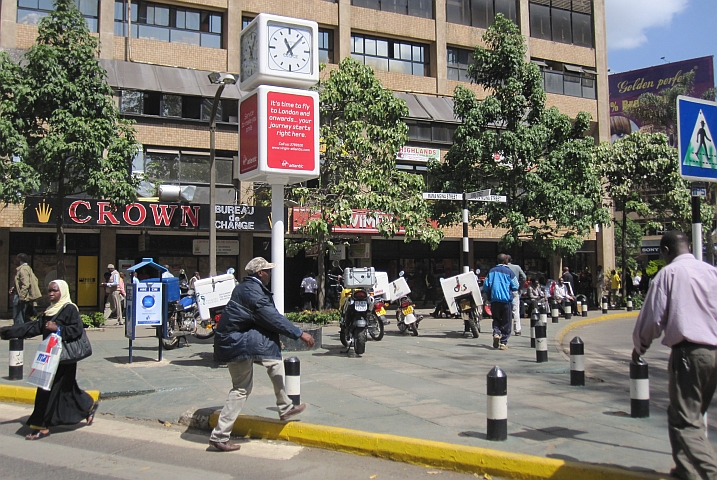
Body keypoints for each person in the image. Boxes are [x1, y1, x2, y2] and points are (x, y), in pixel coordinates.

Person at [632, 231, 717, 480]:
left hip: (689, 355)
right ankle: (684, 471)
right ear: (689, 246)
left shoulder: (669, 274)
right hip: (714, 352)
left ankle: (710, 473)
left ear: (666, 252)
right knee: (686, 413)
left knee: (686, 423)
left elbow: (652, 319)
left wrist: (640, 347)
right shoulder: (711, 272)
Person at [209, 257, 315, 452]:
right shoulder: (253, 292)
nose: (270, 273)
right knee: (241, 389)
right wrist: (300, 333)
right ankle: (220, 435)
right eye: (267, 270)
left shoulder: (249, 288)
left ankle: (285, 407)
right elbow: (272, 317)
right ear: (260, 273)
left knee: (274, 362)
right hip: (235, 344)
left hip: (239, 340)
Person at [0, 280, 98, 440]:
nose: (51, 293)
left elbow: (76, 329)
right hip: (49, 357)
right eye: (49, 291)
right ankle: (87, 405)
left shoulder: (69, 308)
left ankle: (42, 426)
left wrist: (58, 329)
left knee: (47, 390)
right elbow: (34, 327)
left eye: (55, 291)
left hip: (64, 358)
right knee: (66, 389)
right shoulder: (50, 311)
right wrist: (6, 332)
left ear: (63, 292)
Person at [482, 254, 518, 350]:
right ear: (506, 261)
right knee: (507, 321)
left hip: (494, 300)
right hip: (506, 301)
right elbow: (516, 285)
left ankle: (496, 333)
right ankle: (503, 342)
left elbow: (485, 286)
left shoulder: (491, 271)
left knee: (496, 318)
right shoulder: (509, 272)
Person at [9, 253, 41, 325]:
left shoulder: (23, 269)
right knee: (21, 315)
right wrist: (14, 288)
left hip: (21, 296)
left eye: (17, 259)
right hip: (22, 295)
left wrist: (21, 297)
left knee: (18, 316)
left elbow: (26, 284)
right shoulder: (27, 268)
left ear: (20, 260)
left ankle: (18, 333)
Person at [506, 256, 526, 336]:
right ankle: (517, 329)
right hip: (514, 290)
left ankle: (506, 328)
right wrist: (520, 287)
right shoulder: (517, 267)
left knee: (505, 310)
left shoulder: (502, 268)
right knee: (516, 310)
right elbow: (524, 277)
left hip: (505, 291)